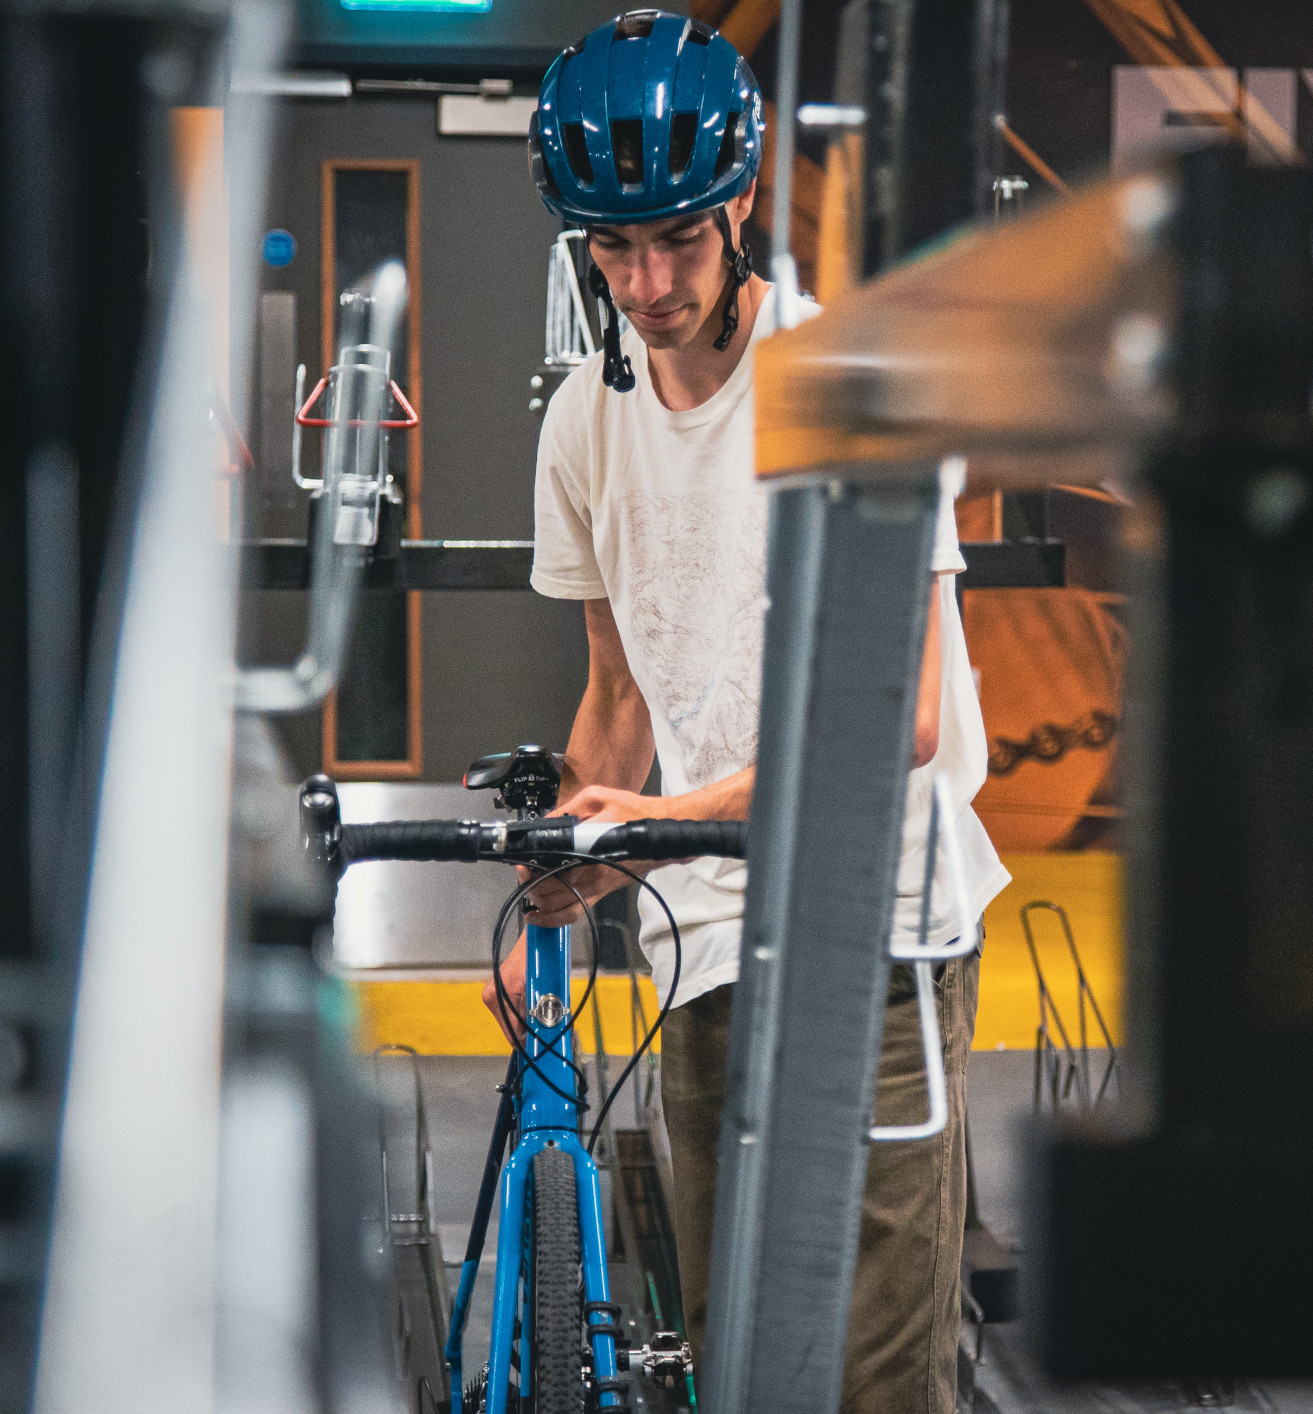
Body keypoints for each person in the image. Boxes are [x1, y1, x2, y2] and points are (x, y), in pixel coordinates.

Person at [486, 12, 1009, 1413]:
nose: (648, 282)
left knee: (877, 1364)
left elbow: (891, 725)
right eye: (613, 247)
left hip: (878, 924)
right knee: (739, 1357)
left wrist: (652, 820)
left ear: (741, 205)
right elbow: (618, 697)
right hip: (703, 938)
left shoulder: (849, 384)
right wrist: (566, 875)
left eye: (678, 241)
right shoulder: (582, 428)